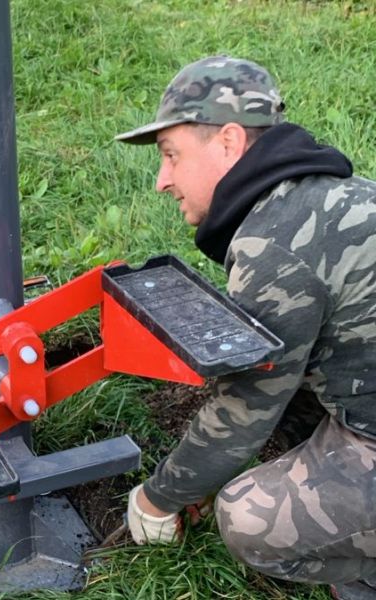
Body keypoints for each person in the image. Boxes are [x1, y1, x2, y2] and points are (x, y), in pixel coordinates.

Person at [115, 56, 376, 600]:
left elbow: (244, 410)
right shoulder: (329, 196)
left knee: (249, 518)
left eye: (171, 155)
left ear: (229, 142)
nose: (163, 180)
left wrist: (158, 498)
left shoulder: (274, 247)